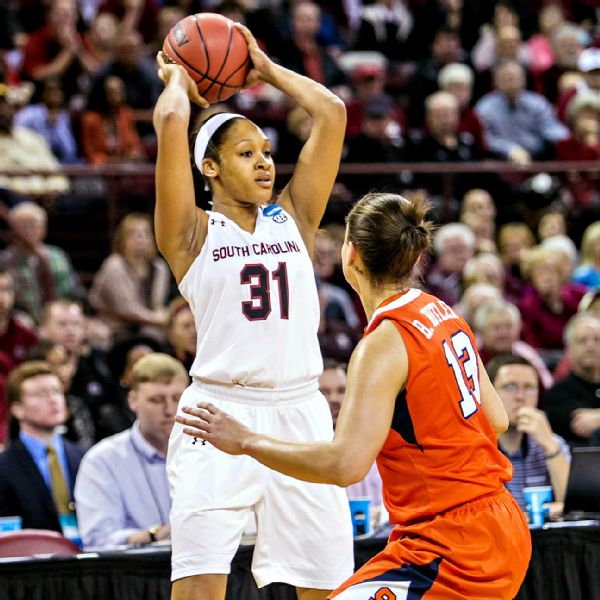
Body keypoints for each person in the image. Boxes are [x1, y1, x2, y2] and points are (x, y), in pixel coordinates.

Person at [177, 192, 531, 599]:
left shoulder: (384, 343)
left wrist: (246, 441)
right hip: (501, 519)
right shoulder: (443, 311)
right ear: (414, 255)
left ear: (352, 254)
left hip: (452, 544)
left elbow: (345, 465)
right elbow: (497, 418)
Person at [153, 23, 353, 600]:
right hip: (217, 412)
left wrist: (264, 70)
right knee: (198, 588)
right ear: (209, 169)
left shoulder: (293, 217)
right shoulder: (189, 232)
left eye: (267, 152)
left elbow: (332, 112)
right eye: (246, 154)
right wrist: (177, 79)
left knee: (327, 588)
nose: (265, 163)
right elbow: (170, 123)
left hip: (299, 410)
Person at [75, 353, 188, 548]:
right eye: (156, 400)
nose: (170, 410)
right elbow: (98, 540)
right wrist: (156, 535)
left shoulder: (207, 451)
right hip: (136, 573)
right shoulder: (102, 460)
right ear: (133, 400)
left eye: (178, 398)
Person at [0, 361, 85, 531]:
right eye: (40, 394)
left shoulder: (84, 456)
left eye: (56, 391)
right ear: (17, 410)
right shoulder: (4, 466)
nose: (53, 399)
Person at [486, 354, 570, 512]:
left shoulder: (552, 442)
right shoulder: (477, 446)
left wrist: (550, 447)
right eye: (510, 387)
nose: (520, 397)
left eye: (529, 388)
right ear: (488, 394)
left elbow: (574, 504)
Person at [544, 313, 600, 447]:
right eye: (582, 340)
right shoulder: (559, 392)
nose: (591, 346)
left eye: (597, 339)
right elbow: (581, 427)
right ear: (569, 348)